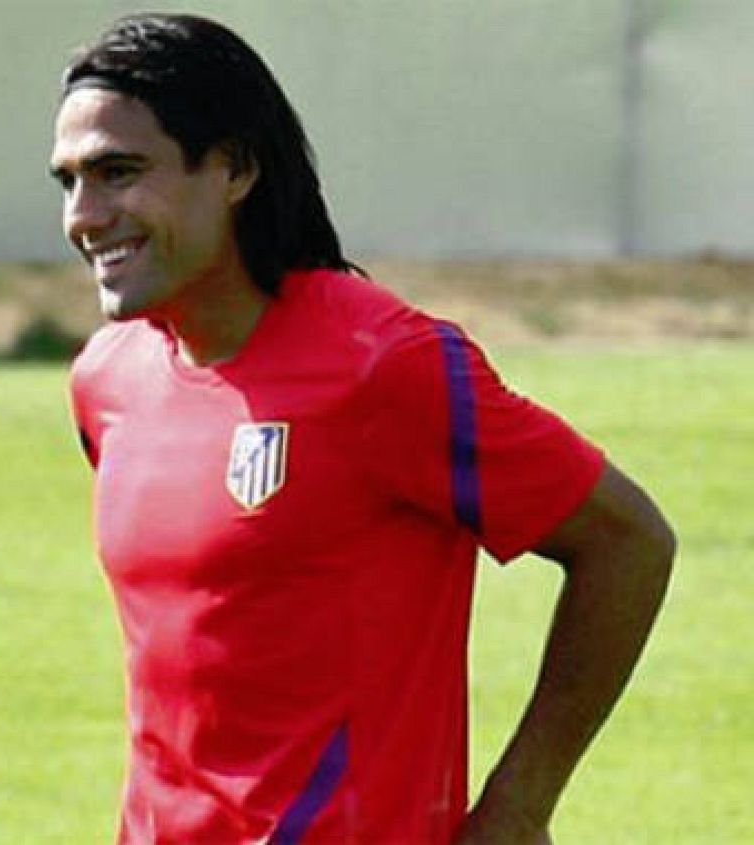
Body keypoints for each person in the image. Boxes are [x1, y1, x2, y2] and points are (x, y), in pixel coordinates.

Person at [50, 13, 674, 845]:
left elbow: (627, 542)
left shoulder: (384, 366)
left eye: (118, 173)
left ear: (235, 168)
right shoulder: (107, 381)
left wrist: (520, 805)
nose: (85, 215)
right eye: (69, 182)